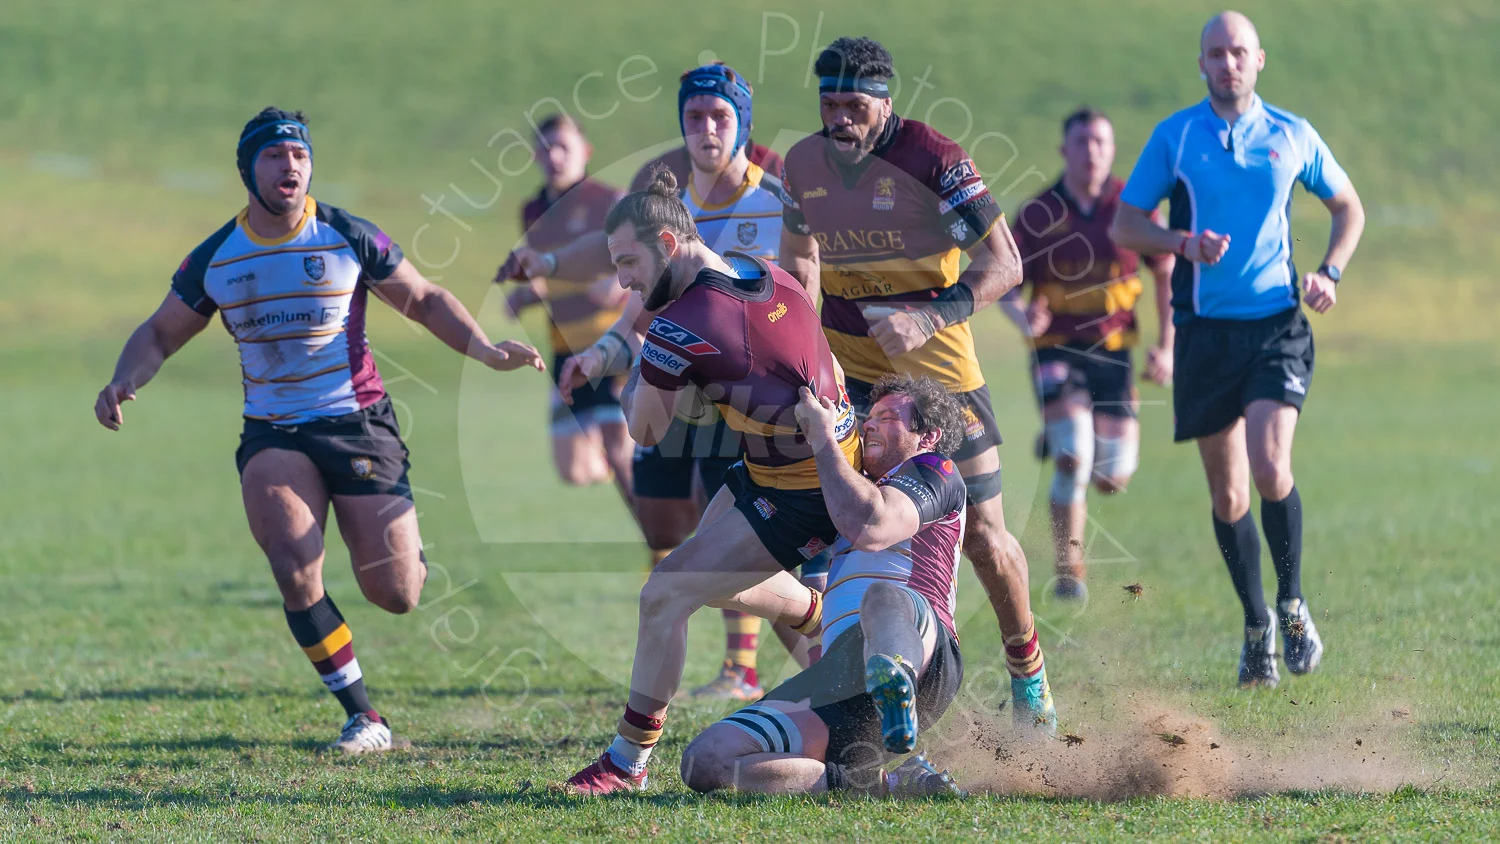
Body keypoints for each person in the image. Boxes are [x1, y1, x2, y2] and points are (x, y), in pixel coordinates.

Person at [93, 108, 544, 753]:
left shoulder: (344, 234)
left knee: (396, 594)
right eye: (275, 156)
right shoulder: (218, 257)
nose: (291, 166)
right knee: (294, 565)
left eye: (299, 156)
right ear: (249, 169)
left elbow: (421, 297)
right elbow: (161, 331)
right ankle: (365, 716)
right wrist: (123, 378)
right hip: (274, 433)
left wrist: (487, 351)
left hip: (358, 423)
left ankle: (405, 546)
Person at [777, 36, 1055, 731]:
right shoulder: (803, 165)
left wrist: (927, 320)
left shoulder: (935, 160)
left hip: (940, 381)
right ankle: (857, 696)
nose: (840, 119)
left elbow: (1006, 262)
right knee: (831, 533)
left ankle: (1029, 681)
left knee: (985, 539)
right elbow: (798, 265)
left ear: (886, 103)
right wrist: (807, 357)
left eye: (855, 106)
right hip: (851, 378)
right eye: (829, 104)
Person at [563, 168, 861, 795]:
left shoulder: (682, 324)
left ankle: (625, 761)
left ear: (668, 245)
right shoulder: (763, 270)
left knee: (665, 592)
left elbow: (643, 431)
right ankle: (821, 617)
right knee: (709, 581)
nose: (623, 282)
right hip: (776, 469)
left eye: (628, 263)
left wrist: (634, 374)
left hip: (803, 491)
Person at [1110, 12, 1364, 687]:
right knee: (1228, 495)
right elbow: (1127, 222)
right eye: (1216, 54)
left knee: (1270, 464)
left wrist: (1330, 273)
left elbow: (1349, 207)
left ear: (1260, 60)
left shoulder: (1292, 134)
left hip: (1276, 326)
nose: (1228, 64)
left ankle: (1293, 603)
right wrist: (1182, 244)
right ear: (1201, 63)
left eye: (1239, 53)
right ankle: (1257, 627)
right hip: (1202, 334)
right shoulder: (1177, 136)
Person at [556, 64, 820, 702]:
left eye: (720, 117)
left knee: (727, 530)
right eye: (694, 117)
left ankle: (751, 668)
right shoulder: (671, 209)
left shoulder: (775, 198)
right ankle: (820, 665)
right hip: (685, 392)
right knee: (676, 527)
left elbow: (803, 294)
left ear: (742, 126)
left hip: (763, 407)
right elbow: (642, 300)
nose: (706, 129)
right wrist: (603, 352)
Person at [680, 374, 968, 797]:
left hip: (922, 652)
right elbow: (709, 571)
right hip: (842, 678)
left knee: (881, 595)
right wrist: (754, 469)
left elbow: (873, 526)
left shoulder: (934, 470)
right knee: (704, 761)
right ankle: (880, 784)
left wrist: (822, 440)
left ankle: (894, 678)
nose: (869, 425)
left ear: (929, 436)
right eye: (869, 417)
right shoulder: (843, 489)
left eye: (888, 418)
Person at [1000, 108, 1175, 600]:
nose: (1091, 151)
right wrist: (1019, 315)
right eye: (1081, 142)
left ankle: (1060, 437)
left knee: (1111, 478)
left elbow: (1164, 271)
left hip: (1115, 352)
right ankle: (1068, 570)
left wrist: (1167, 345)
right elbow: (1006, 276)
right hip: (1056, 347)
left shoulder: (1132, 207)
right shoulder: (1037, 213)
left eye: (1100, 142)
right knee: (1075, 455)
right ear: (1064, 150)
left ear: (1113, 150)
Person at [494, 114, 633, 495]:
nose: (554, 155)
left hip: (612, 342)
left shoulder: (611, 201)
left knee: (618, 451)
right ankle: (639, 471)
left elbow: (644, 261)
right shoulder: (532, 211)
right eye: (546, 147)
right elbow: (550, 274)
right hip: (563, 347)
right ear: (535, 155)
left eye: (563, 147)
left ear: (585, 152)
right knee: (573, 469)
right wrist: (526, 294)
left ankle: (663, 549)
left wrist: (616, 283)